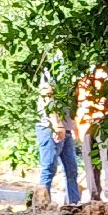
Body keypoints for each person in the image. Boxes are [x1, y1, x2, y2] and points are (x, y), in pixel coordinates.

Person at [75, 66, 108, 202]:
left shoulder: (84, 80)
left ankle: (95, 197)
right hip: (106, 123)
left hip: (86, 124)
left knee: (92, 162)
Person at [34, 67, 80, 207]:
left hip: (65, 129)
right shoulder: (53, 72)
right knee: (49, 168)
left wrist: (73, 126)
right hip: (49, 128)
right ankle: (42, 205)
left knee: (72, 169)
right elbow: (46, 96)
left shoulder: (72, 73)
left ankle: (73, 204)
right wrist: (56, 123)